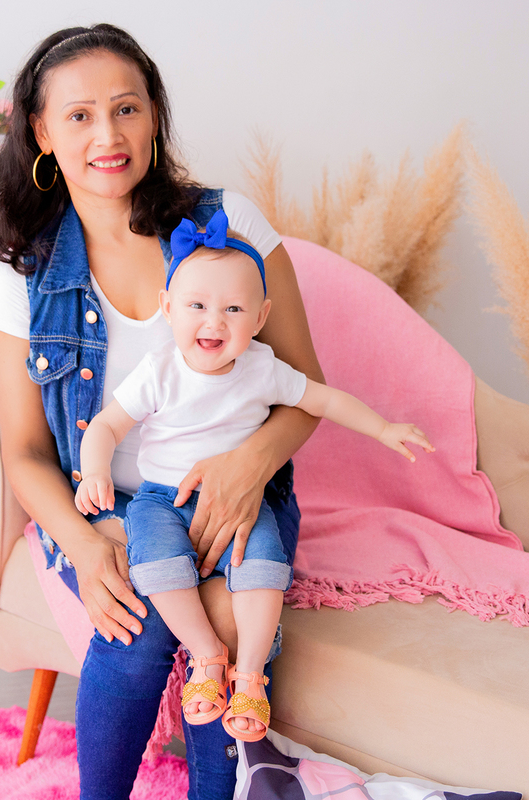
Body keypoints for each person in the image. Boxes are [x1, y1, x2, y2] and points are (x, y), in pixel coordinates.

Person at [0, 23, 325, 800]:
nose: (108, 135)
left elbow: (303, 388)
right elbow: (26, 452)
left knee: (220, 616)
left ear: (154, 117)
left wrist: (245, 470)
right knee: (135, 622)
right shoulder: (25, 274)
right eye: (80, 116)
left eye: (127, 109)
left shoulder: (230, 224)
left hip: (232, 489)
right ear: (41, 131)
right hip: (100, 505)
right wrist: (86, 543)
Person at [74, 212, 434, 744]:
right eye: (196, 306)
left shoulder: (262, 368)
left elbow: (324, 398)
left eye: (233, 309)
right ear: (167, 308)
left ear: (261, 316)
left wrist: (382, 428)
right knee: (155, 567)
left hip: (242, 503)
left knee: (264, 568)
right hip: (160, 500)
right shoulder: (160, 370)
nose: (213, 322)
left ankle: (249, 675)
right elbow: (105, 425)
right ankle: (206, 654)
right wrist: (96, 470)